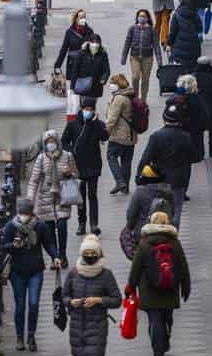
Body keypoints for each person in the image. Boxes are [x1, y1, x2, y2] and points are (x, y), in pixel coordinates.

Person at [62, 234, 122, 356]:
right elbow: (63, 296)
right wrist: (71, 302)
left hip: (97, 326)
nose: (89, 256)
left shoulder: (106, 275)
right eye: (86, 253)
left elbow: (116, 300)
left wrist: (99, 300)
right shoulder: (73, 273)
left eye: (92, 253)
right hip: (77, 326)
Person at [126, 211, 190, 356]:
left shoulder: (144, 243)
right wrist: (186, 287)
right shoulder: (175, 243)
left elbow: (136, 268)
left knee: (154, 321)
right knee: (167, 318)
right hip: (170, 287)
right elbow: (183, 266)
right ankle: (165, 340)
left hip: (149, 290)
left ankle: (158, 352)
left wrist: (131, 287)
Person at [0, 198, 62, 352]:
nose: (24, 217)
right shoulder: (11, 226)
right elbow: (3, 247)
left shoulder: (40, 226)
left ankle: (31, 336)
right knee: (20, 305)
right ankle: (20, 337)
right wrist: (13, 245)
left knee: (33, 304)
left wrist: (55, 256)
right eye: (22, 214)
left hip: (36, 270)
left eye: (26, 214)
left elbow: (48, 243)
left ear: (31, 213)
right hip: (17, 271)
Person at [136, 103, 195, 227]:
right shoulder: (185, 136)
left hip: (159, 179)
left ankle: (159, 232)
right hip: (179, 181)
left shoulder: (156, 136)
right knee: (176, 211)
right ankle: (173, 236)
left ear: (164, 119)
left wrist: (139, 176)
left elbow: (145, 158)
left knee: (158, 209)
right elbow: (194, 156)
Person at [27, 129, 78, 267]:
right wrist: (30, 198)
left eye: (53, 141)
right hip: (45, 197)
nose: (51, 144)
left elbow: (76, 174)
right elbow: (34, 180)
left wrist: (70, 173)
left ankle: (63, 254)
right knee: (49, 230)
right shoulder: (41, 158)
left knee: (62, 226)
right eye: (48, 142)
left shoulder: (67, 156)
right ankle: (54, 257)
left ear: (57, 142)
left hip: (63, 196)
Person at [62, 97, 110, 236]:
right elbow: (64, 142)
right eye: (86, 109)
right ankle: (81, 223)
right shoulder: (72, 125)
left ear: (94, 111)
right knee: (80, 196)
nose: (88, 112)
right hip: (78, 165)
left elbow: (104, 137)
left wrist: (95, 123)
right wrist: (71, 151)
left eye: (90, 109)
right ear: (81, 109)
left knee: (93, 195)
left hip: (94, 164)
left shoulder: (97, 124)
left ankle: (94, 224)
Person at [53, 9, 96, 122]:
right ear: (75, 18)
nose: (83, 19)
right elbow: (64, 49)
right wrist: (57, 65)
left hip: (85, 69)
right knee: (73, 101)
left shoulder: (90, 31)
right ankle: (73, 124)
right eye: (81, 17)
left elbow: (95, 48)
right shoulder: (69, 32)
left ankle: (85, 121)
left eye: (84, 17)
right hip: (72, 68)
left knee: (85, 99)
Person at [104, 73, 139, 194]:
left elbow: (112, 119)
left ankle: (119, 181)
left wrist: (105, 134)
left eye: (112, 83)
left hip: (119, 135)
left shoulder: (119, 98)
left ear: (118, 85)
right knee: (126, 162)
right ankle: (125, 186)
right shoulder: (131, 95)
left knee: (111, 156)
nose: (111, 86)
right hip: (131, 136)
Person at [121, 8, 163, 100]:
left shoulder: (152, 30)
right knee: (135, 77)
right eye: (140, 16)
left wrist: (159, 61)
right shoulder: (132, 28)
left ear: (147, 18)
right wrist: (123, 57)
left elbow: (156, 46)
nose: (142, 18)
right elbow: (127, 43)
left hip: (147, 58)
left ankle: (143, 100)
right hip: (134, 57)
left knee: (145, 80)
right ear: (137, 18)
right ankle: (135, 98)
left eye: (143, 16)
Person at [168, 73, 207, 166]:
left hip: (185, 127)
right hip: (196, 127)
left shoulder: (181, 98)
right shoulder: (196, 98)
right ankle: (198, 155)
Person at [126, 163, 175, 233]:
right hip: (164, 231)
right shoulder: (168, 191)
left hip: (144, 232)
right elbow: (172, 212)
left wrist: (129, 228)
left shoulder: (140, 191)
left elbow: (131, 214)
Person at [69, 33, 111, 102]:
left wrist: (104, 78)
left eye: (97, 42)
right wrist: (72, 87)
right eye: (93, 42)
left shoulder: (103, 54)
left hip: (96, 85)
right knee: (83, 105)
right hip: (83, 84)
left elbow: (107, 70)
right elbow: (75, 70)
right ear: (89, 42)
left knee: (91, 106)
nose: (95, 44)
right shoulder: (82, 53)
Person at [166, 0, 203, 70]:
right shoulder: (195, 14)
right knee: (192, 68)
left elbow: (172, 32)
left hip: (179, 46)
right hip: (194, 45)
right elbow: (200, 28)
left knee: (179, 70)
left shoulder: (176, 14)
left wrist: (169, 43)